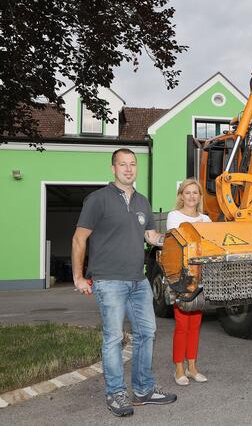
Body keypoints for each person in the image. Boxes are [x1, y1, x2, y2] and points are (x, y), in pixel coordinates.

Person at [72, 148, 177, 417]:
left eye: (132, 164)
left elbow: (152, 236)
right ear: (113, 168)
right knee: (114, 338)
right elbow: (79, 238)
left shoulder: (142, 201)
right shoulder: (98, 200)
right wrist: (78, 277)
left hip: (138, 280)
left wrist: (177, 238)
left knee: (147, 333)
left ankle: (143, 390)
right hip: (109, 281)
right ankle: (116, 393)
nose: (128, 169)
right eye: (123, 164)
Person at [166, 179, 211, 386]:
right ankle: (179, 369)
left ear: (200, 197)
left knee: (196, 325)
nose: (192, 196)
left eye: (195, 193)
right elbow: (180, 242)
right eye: (188, 192)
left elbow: (210, 245)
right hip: (182, 277)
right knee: (182, 325)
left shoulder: (207, 219)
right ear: (181, 196)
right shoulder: (174, 217)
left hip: (202, 276)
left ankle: (192, 367)